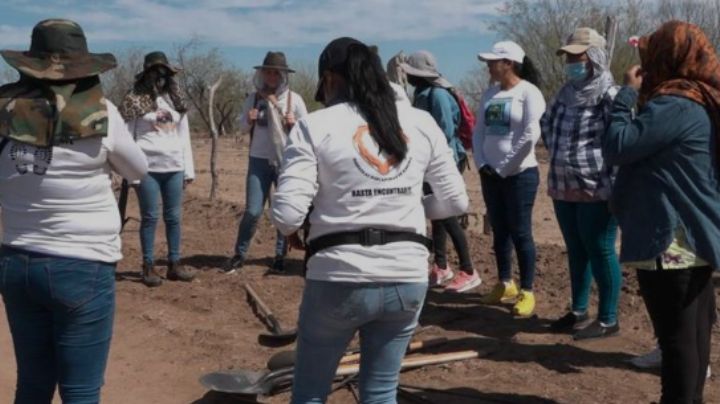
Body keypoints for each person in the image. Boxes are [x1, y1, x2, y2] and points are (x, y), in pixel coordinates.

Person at [272, 37, 468, 403]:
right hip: (406, 278)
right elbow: (455, 200)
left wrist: (295, 228)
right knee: (380, 393)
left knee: (311, 392)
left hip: (338, 278)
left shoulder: (315, 125)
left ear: (330, 79)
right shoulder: (421, 122)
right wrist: (400, 210)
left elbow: (287, 214)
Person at [0, 19, 148, 403]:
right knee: (80, 391)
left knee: (31, 385)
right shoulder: (102, 112)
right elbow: (138, 170)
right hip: (83, 264)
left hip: (17, 261)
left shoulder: (2, 111)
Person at [603, 20, 720, 404]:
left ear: (667, 57)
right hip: (694, 237)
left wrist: (625, 95)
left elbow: (618, 144)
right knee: (695, 337)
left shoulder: (674, 105)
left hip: (669, 241)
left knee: (678, 346)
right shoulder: (701, 100)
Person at [540, 27, 622, 340]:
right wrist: (563, 155)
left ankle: (608, 318)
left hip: (597, 185)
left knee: (599, 247)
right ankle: (578, 310)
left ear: (596, 57)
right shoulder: (564, 92)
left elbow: (619, 140)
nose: (572, 61)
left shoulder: (610, 94)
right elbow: (547, 124)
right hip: (563, 183)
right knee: (575, 249)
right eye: (569, 56)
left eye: (579, 55)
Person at [474, 41, 545, 316]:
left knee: (520, 231)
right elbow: (479, 131)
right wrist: (481, 163)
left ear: (510, 63)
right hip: (490, 175)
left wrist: (503, 167)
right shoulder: (489, 94)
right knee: (499, 230)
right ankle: (506, 283)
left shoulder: (529, 93)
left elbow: (530, 134)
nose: (489, 66)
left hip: (519, 175)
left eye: (493, 61)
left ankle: (527, 291)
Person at [400, 50, 480, 293]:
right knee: (436, 214)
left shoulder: (438, 96)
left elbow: (443, 133)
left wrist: (427, 159)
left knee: (446, 214)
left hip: (443, 163)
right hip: (432, 163)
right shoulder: (425, 94)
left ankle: (468, 270)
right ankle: (441, 265)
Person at [224, 52, 308, 274]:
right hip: (258, 161)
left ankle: (280, 256)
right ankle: (239, 254)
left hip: (286, 162)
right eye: (268, 71)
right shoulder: (253, 98)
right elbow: (241, 128)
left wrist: (294, 124)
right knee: (253, 211)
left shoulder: (294, 100)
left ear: (283, 75)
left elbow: (307, 132)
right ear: (262, 73)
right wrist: (248, 120)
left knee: (281, 210)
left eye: (276, 72)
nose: (271, 76)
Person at [119, 51, 196, 287]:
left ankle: (174, 263)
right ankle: (148, 265)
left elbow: (184, 136)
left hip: (174, 166)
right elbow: (127, 137)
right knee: (150, 217)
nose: (159, 76)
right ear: (146, 73)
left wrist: (188, 169)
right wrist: (130, 171)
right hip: (147, 168)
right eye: (155, 71)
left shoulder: (175, 101)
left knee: (173, 217)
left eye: (163, 72)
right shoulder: (134, 100)